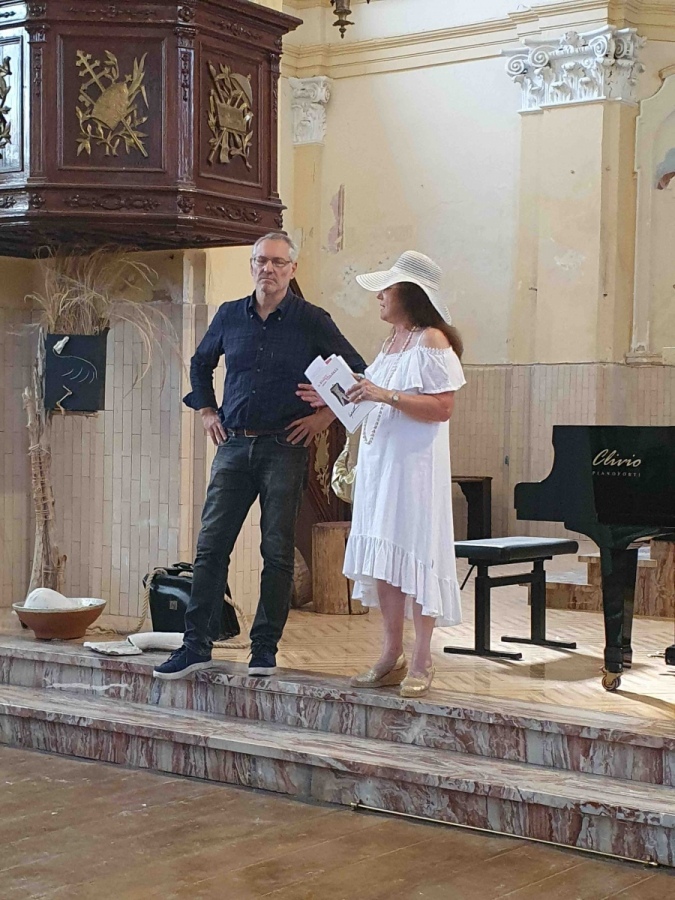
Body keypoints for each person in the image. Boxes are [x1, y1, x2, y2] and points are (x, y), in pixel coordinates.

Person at [154, 233, 366, 680]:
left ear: (291, 269)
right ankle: (195, 646)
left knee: (277, 550)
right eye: (261, 261)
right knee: (211, 548)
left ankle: (264, 649)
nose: (268, 269)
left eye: (277, 262)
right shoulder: (230, 314)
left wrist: (324, 415)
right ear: (252, 266)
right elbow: (200, 363)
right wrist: (207, 410)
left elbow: (358, 371)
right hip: (233, 445)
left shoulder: (312, 320)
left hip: (285, 447)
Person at [344, 251, 465, 698]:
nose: (379, 295)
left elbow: (442, 407)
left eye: (387, 288)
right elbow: (376, 395)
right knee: (386, 558)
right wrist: (341, 395)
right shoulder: (391, 341)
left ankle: (422, 658)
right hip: (381, 464)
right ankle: (390, 653)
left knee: (416, 553)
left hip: (414, 468)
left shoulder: (431, 339)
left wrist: (384, 394)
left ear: (410, 294)